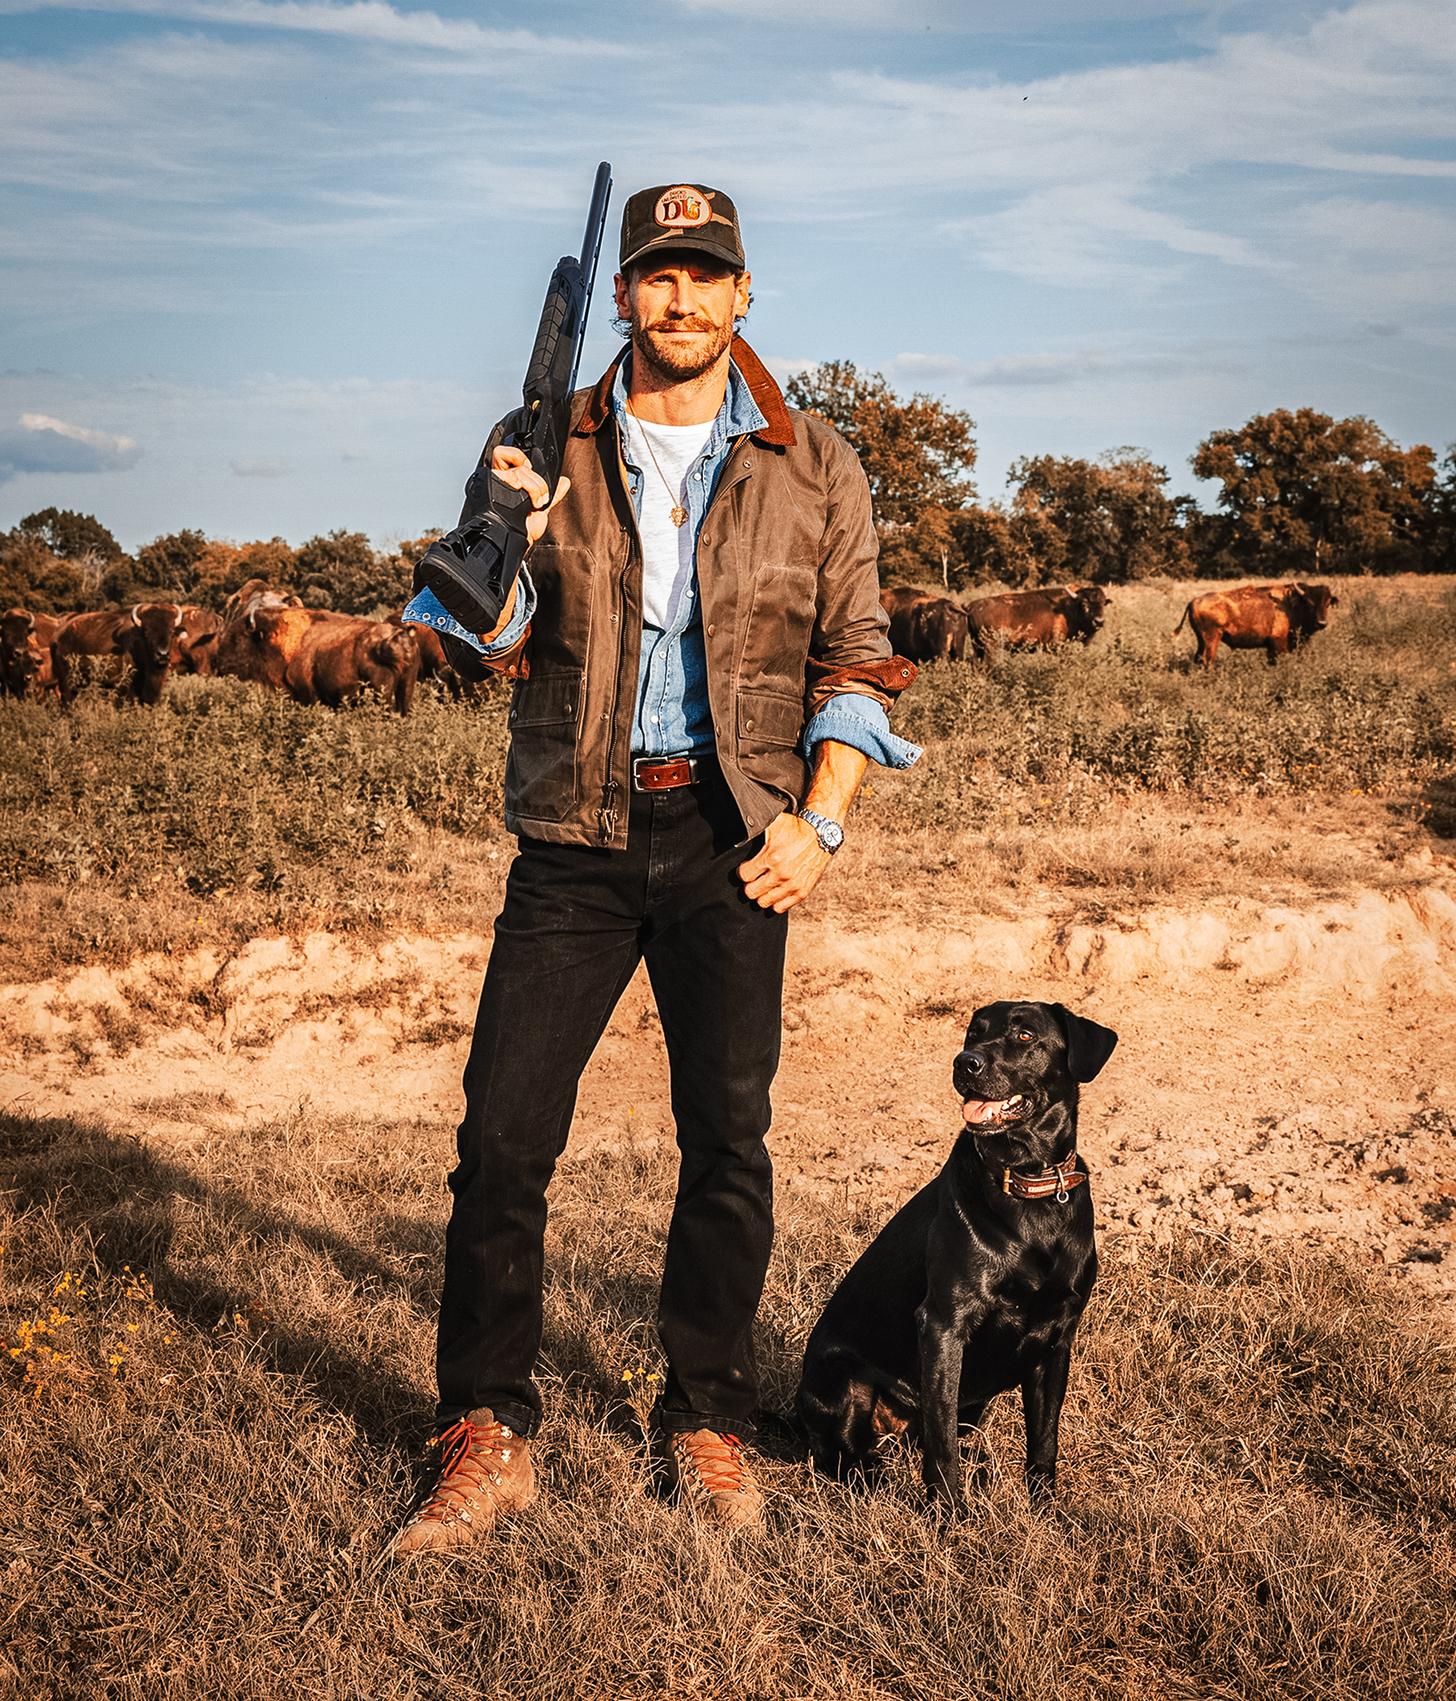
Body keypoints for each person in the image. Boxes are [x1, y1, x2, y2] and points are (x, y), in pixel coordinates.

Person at [392, 182, 920, 1552]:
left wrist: (819, 820)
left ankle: (706, 1417)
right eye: (657, 275)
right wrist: (504, 534)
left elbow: (858, 660)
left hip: (732, 835)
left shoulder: (815, 462)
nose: (680, 299)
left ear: (743, 294)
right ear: (624, 295)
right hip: (574, 836)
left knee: (726, 1140)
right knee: (502, 1138)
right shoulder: (541, 439)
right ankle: (486, 1428)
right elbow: (483, 639)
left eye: (705, 274)